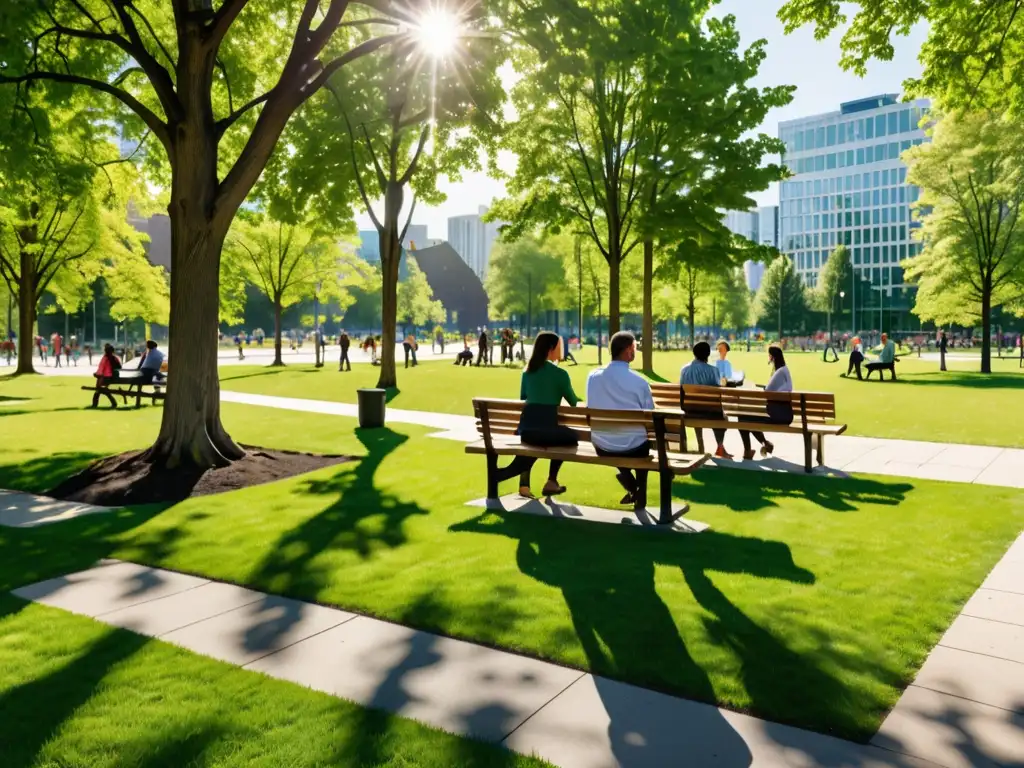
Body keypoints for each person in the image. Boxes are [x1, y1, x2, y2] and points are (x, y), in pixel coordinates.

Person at [492, 332, 580, 498]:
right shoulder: (560, 374)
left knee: (530, 451)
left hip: (525, 429)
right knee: (571, 436)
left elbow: (524, 397)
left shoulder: (528, 372)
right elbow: (573, 402)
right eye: (559, 347)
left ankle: (516, 481)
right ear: (551, 349)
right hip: (544, 430)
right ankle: (551, 480)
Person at [586, 331, 655, 508]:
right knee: (641, 443)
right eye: (635, 348)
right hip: (634, 447)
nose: (636, 351)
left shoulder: (592, 377)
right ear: (628, 351)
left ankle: (633, 487)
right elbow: (650, 415)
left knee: (617, 441)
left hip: (602, 445)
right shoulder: (640, 383)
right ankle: (640, 494)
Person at [738, 345, 793, 460]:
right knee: (748, 418)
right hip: (784, 414)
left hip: (778, 415)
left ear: (772, 357)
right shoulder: (784, 370)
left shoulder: (779, 372)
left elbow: (767, 392)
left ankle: (750, 450)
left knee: (743, 418)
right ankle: (765, 444)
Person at [680, 341, 730, 459]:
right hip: (710, 412)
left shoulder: (684, 369)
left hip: (689, 411)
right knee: (722, 416)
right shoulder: (713, 370)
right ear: (708, 354)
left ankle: (700, 445)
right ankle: (720, 446)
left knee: (698, 407)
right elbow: (716, 394)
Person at [90, 344, 122, 408]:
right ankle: (113, 403)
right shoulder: (115, 358)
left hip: (105, 378)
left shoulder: (105, 358)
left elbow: (101, 369)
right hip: (112, 378)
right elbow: (120, 367)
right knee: (103, 389)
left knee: (99, 389)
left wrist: (96, 374)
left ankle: (95, 404)